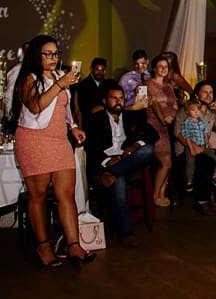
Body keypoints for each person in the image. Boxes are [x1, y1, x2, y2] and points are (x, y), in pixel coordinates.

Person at [10, 34, 93, 270]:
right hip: (34, 139)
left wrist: (73, 126)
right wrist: (60, 84)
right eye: (48, 54)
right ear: (36, 55)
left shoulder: (59, 77)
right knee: (37, 194)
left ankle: (74, 244)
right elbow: (36, 106)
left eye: (56, 53)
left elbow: (64, 107)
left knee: (66, 192)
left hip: (59, 140)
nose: (53, 58)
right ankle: (43, 246)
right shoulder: (28, 78)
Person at [84, 80, 158, 247]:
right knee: (119, 181)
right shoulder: (97, 119)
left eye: (121, 98)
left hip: (126, 161)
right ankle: (126, 234)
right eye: (114, 98)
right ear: (105, 101)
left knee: (148, 150)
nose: (118, 102)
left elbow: (153, 134)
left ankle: (111, 173)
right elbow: (91, 146)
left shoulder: (130, 116)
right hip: (105, 163)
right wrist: (108, 161)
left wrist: (135, 146)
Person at [179, 99, 216, 215]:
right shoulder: (187, 121)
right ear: (188, 112)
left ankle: (214, 179)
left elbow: (210, 131)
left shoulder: (203, 119)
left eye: (198, 110)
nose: (196, 112)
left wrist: (208, 142)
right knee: (193, 161)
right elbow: (184, 136)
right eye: (193, 110)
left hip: (203, 145)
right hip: (191, 146)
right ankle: (191, 183)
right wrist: (192, 148)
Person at [145, 54, 178, 207]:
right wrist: (164, 118)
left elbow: (175, 106)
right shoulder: (147, 85)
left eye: (166, 67)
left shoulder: (168, 86)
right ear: (154, 68)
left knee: (169, 163)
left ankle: (162, 194)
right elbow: (153, 104)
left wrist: (173, 116)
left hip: (169, 127)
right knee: (166, 162)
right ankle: (155, 194)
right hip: (155, 126)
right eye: (161, 66)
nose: (164, 69)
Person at [74, 57, 107, 128]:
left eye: (102, 70)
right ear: (91, 69)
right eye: (97, 69)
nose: (100, 73)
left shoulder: (108, 84)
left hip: (105, 124)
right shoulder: (83, 85)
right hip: (88, 124)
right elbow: (80, 110)